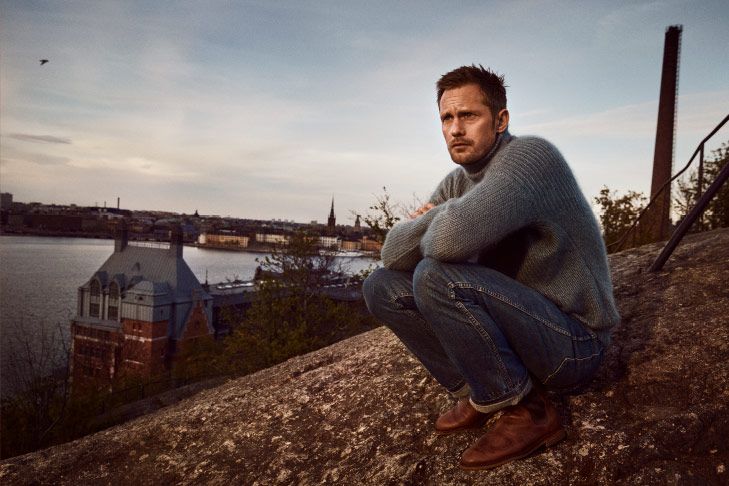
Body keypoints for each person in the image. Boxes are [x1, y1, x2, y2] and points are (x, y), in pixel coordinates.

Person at [362, 65, 619, 470]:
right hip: (523, 331)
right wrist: (449, 213)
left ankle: (530, 412)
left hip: (573, 343)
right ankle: (482, 393)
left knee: (435, 276)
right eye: (447, 118)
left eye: (469, 115)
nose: (455, 129)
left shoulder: (530, 159)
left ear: (500, 120)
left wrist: (434, 218)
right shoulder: (457, 181)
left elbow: (444, 243)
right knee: (381, 285)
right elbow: (393, 255)